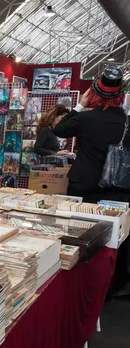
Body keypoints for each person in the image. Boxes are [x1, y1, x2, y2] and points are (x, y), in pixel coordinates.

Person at [53, 66, 130, 297]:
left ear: (94, 93)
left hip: (84, 188)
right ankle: (116, 286)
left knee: (79, 233)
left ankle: (78, 280)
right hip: (120, 189)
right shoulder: (127, 122)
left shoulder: (86, 119)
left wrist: (80, 105)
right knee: (119, 238)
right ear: (121, 96)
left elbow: (59, 129)